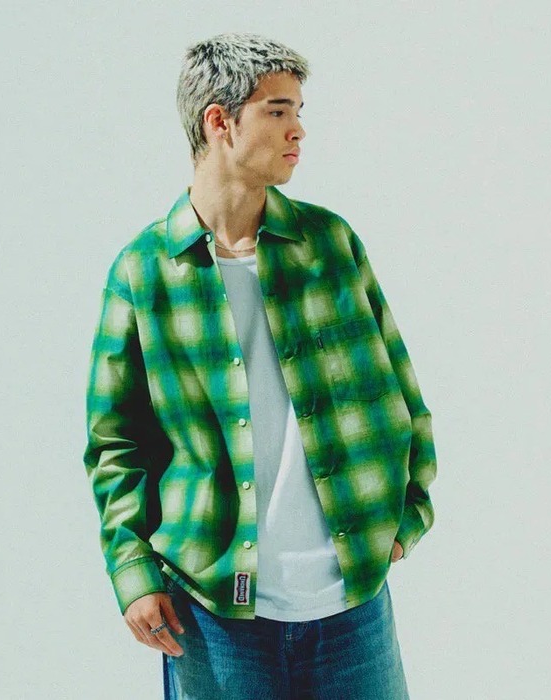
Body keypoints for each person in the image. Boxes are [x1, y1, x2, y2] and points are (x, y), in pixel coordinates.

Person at [83, 32, 437, 700]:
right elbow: (115, 442)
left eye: (299, 111)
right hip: (214, 611)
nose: (298, 130)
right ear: (220, 121)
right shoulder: (144, 273)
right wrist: (132, 572)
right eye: (278, 111)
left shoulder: (329, 245)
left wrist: (407, 517)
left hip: (353, 605)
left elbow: (399, 392)